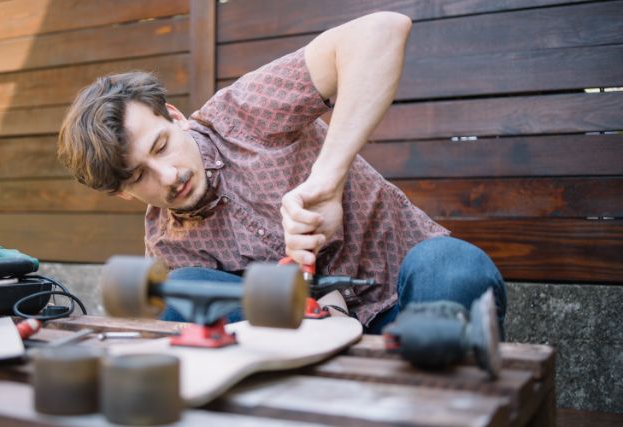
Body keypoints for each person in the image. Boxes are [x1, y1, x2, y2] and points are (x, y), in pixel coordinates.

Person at [57, 12, 507, 335]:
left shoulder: (246, 111)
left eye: (161, 145)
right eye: (139, 177)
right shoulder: (167, 243)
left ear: (175, 116)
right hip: (308, 341)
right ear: (121, 194)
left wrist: (327, 180)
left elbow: (383, 30)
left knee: (452, 267)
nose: (169, 175)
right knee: (182, 292)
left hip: (408, 303)